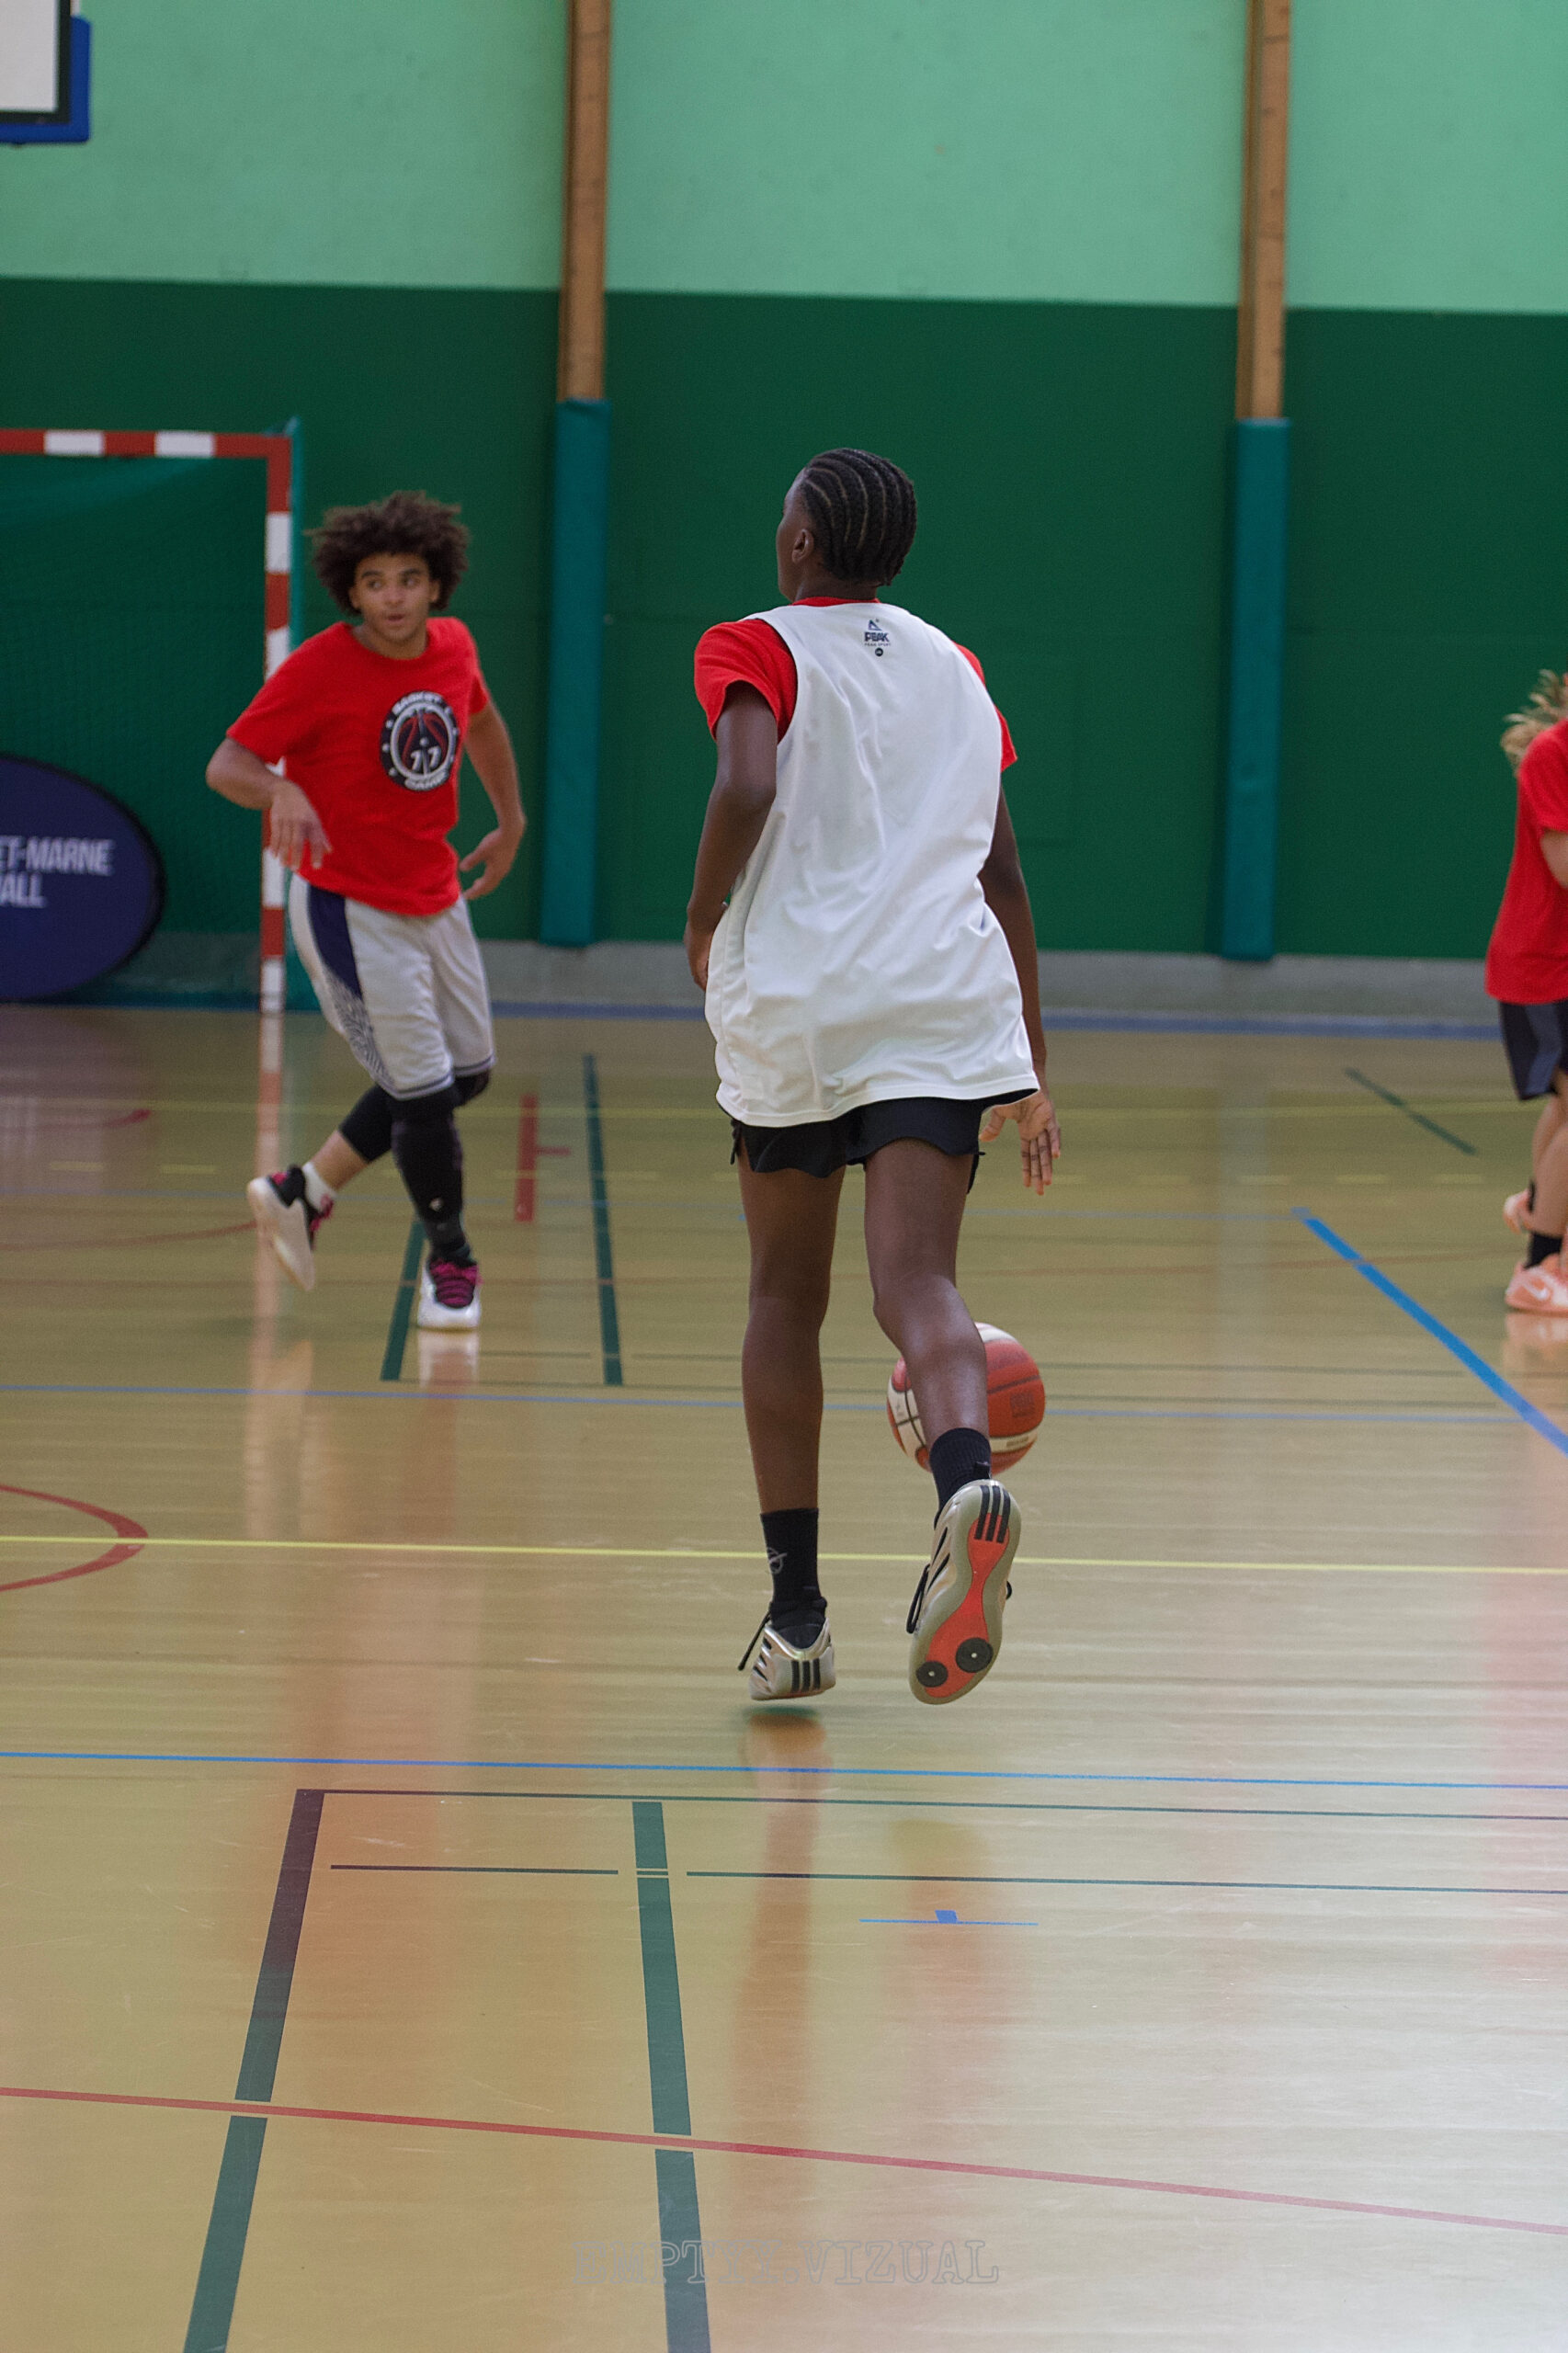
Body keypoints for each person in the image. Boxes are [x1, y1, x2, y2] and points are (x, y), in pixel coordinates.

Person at [686, 447, 1061, 1708]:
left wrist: (700, 913)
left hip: (801, 1001)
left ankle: (796, 1619)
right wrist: (1028, 1062)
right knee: (920, 1285)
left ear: (800, 542)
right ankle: (966, 1488)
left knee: (783, 1299)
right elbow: (1001, 870)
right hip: (943, 1002)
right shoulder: (957, 667)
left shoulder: (753, 645)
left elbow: (746, 780)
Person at [208, 490, 524, 1331]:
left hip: (434, 891)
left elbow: (483, 723)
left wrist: (510, 820)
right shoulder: (319, 668)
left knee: (467, 1074)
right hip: (350, 907)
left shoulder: (454, 648)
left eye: (409, 579)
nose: (393, 597)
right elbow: (227, 764)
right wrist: (279, 789)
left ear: (436, 585)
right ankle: (452, 1263)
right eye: (375, 582)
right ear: (351, 592)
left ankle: (303, 1191)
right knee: (422, 1094)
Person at [1487, 670, 1568, 1313]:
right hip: (1544, 965)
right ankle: (1540, 1266)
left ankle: (1541, 1201)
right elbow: (1564, 866)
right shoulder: (1552, 756)